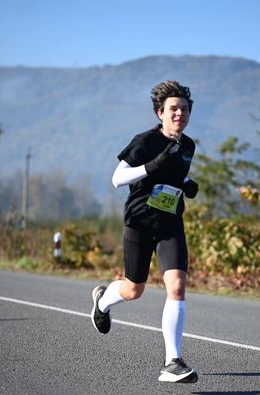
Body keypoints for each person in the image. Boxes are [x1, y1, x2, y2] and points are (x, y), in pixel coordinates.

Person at [91, 80, 199, 383]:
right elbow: (117, 178)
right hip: (139, 222)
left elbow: (176, 173)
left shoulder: (188, 145)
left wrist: (186, 184)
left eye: (184, 109)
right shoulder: (145, 141)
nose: (179, 114)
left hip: (170, 223)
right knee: (133, 289)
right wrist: (152, 166)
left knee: (177, 286)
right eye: (173, 109)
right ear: (160, 112)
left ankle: (172, 361)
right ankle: (102, 301)